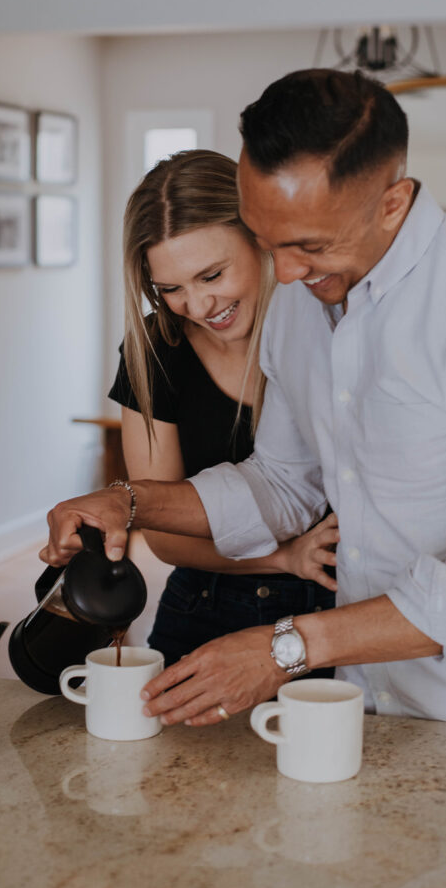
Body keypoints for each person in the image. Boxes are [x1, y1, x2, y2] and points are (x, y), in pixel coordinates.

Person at [42, 69, 446, 736]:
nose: (283, 273)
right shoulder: (302, 304)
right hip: (356, 703)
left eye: (309, 245)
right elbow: (282, 483)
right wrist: (131, 502)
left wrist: (289, 644)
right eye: (266, 239)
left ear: (393, 203)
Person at [107, 149, 337, 668]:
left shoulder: (332, 323)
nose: (198, 305)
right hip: (206, 606)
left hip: (344, 611)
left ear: (260, 237)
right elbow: (164, 535)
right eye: (171, 289)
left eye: (211, 275)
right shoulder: (155, 350)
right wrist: (281, 559)